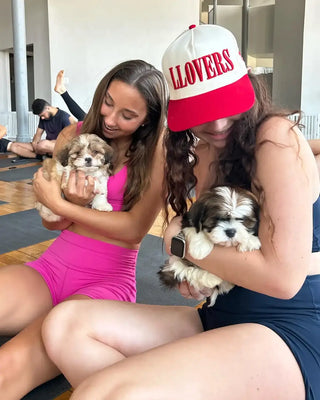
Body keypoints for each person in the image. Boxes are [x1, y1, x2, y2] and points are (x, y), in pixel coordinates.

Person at [41, 24, 320, 400]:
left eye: (226, 105)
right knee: (64, 326)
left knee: (105, 392)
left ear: (249, 85)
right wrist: (194, 257)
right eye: (204, 112)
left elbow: (282, 279)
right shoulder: (204, 151)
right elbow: (194, 236)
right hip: (221, 313)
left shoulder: (276, 137)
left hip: (289, 326)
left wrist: (181, 242)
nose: (218, 124)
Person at [0, 59, 168, 399]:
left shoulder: (156, 153)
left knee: (6, 368)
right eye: (108, 102)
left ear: (147, 119)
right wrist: (66, 206)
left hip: (106, 284)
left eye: (127, 115)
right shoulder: (71, 135)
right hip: (50, 269)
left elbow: (134, 230)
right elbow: (50, 220)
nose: (109, 118)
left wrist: (64, 205)